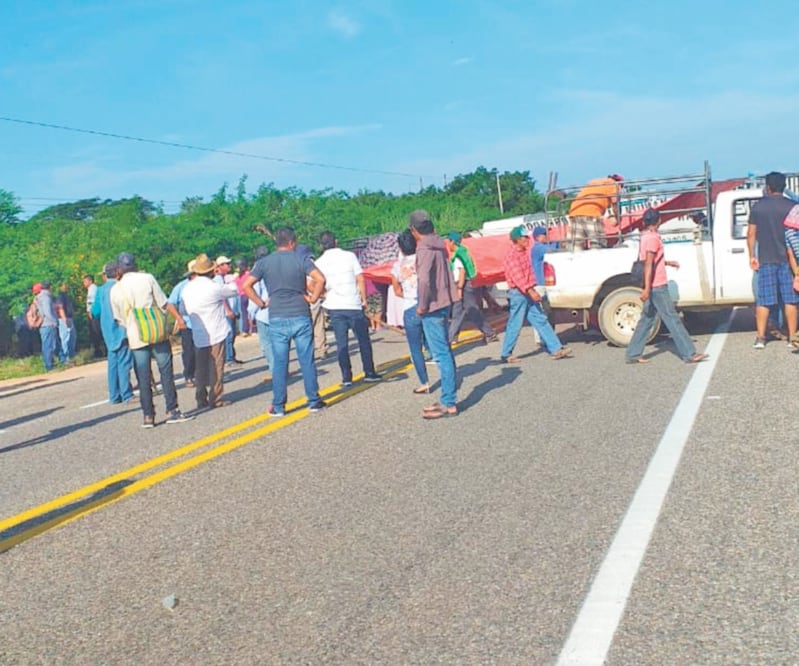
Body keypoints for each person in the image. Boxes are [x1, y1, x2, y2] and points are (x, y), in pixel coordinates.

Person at [242, 227, 326, 416]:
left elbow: (246, 285)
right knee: (307, 360)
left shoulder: (264, 262)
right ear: (292, 242)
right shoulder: (301, 259)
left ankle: (279, 405)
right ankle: (314, 401)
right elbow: (320, 279)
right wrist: (313, 299)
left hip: (277, 316)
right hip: (300, 313)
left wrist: (261, 303)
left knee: (280, 363)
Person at [110, 252, 193, 428]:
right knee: (166, 372)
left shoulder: (116, 289)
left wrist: (132, 323)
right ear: (135, 264)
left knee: (143, 377)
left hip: (136, 336)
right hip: (157, 332)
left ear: (119, 268)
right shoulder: (147, 278)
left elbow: (119, 319)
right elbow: (163, 303)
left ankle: (148, 416)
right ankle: (172, 410)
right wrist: (175, 319)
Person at [625, 209, 709, 364]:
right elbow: (649, 264)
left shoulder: (645, 236)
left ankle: (633, 353)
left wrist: (667, 263)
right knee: (672, 319)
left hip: (652, 285)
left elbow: (650, 260)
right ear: (658, 221)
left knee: (647, 319)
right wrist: (647, 288)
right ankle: (689, 353)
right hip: (657, 285)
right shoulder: (653, 238)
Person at [409, 210, 459, 419]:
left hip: (432, 306)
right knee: (445, 351)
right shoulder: (439, 245)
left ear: (413, 230)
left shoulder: (424, 248)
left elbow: (424, 281)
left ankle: (448, 402)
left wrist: (422, 306)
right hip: (445, 301)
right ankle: (448, 398)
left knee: (441, 354)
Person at [315, 231, 381, 386]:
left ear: (321, 245)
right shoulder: (349, 256)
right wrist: (363, 299)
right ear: (336, 242)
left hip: (334, 305)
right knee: (363, 340)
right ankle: (369, 372)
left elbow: (311, 283)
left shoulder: (319, 262)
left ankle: (346, 377)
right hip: (353, 303)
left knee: (342, 342)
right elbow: (360, 279)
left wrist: (324, 294)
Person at [500, 226, 573, 363]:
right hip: (519, 294)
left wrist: (532, 289)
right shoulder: (512, 257)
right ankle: (506, 353)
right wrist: (531, 291)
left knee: (540, 320)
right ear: (517, 240)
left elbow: (529, 274)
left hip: (527, 291)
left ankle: (556, 349)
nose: (528, 240)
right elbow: (518, 277)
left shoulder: (523, 253)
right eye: (525, 238)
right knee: (515, 324)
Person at [747, 171, 798, 349]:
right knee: (790, 300)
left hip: (766, 259)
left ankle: (760, 338)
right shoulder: (793, 206)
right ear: (784, 187)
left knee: (764, 300)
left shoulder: (758, 207)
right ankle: (792, 337)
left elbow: (751, 233)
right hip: (789, 261)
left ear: (767, 187)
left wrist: (752, 256)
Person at [181, 253, 238, 410]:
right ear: (211, 270)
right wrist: (227, 279)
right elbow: (233, 290)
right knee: (217, 367)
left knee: (200, 368)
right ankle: (216, 398)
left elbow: (183, 310)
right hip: (216, 331)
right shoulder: (213, 286)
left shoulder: (187, 288)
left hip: (198, 333)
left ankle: (201, 398)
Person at [391, 229, 430, 394]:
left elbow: (396, 290)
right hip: (427, 305)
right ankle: (448, 375)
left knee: (415, 348)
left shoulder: (397, 267)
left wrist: (407, 295)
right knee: (437, 343)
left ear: (400, 247)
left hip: (409, 307)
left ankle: (424, 382)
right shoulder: (424, 259)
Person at [91, 262, 134, 404]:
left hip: (107, 331)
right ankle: (126, 394)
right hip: (121, 328)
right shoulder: (120, 287)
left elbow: (95, 312)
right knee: (124, 362)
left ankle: (114, 396)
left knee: (113, 363)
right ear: (117, 272)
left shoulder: (100, 290)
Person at [444, 231, 497, 345]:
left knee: (471, 310)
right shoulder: (463, 251)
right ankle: (452, 336)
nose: (448, 244)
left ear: (452, 242)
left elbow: (462, 272)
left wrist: (459, 289)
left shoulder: (458, 254)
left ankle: (489, 333)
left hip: (464, 285)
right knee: (458, 311)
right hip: (466, 284)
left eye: (448, 241)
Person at [567, 174, 624, 250]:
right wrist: (617, 216)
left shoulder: (593, 182)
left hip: (574, 213)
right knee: (598, 246)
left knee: (574, 248)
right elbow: (615, 203)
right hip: (592, 214)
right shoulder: (614, 185)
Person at [167, 260, 197, 388]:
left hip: (204, 324)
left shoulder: (205, 284)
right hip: (187, 324)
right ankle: (189, 375)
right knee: (189, 351)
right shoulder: (181, 286)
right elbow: (170, 304)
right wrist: (179, 319)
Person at [297, 243, 329, 361]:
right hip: (312, 299)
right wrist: (320, 295)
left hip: (302, 300)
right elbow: (310, 284)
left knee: (308, 328)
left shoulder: (295, 264)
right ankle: (321, 349)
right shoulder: (309, 264)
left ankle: (309, 352)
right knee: (318, 326)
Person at [214, 255, 241, 365]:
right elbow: (222, 296)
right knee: (229, 334)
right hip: (226, 312)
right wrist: (228, 310)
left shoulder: (224, 278)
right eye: (227, 264)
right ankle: (229, 358)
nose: (229, 265)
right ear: (220, 266)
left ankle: (231, 356)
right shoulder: (218, 279)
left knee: (232, 334)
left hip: (230, 311)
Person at [34, 282, 59, 371]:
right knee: (49, 346)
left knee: (47, 345)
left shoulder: (39, 297)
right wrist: (54, 322)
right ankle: (49, 366)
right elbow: (47, 312)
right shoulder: (46, 297)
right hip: (48, 324)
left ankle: (50, 364)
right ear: (50, 287)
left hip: (44, 325)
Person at [83, 274, 106, 358]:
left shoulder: (92, 289)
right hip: (95, 314)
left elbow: (91, 302)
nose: (84, 283)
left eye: (85, 281)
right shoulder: (93, 288)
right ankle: (100, 350)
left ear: (90, 281)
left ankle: (98, 352)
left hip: (94, 314)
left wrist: (90, 312)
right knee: (97, 333)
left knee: (96, 333)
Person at [55, 283, 77, 365]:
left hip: (69, 318)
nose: (66, 286)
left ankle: (71, 357)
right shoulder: (60, 296)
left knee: (72, 337)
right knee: (65, 338)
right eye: (64, 285)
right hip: (63, 319)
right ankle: (66, 359)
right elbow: (60, 308)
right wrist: (64, 319)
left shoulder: (66, 295)